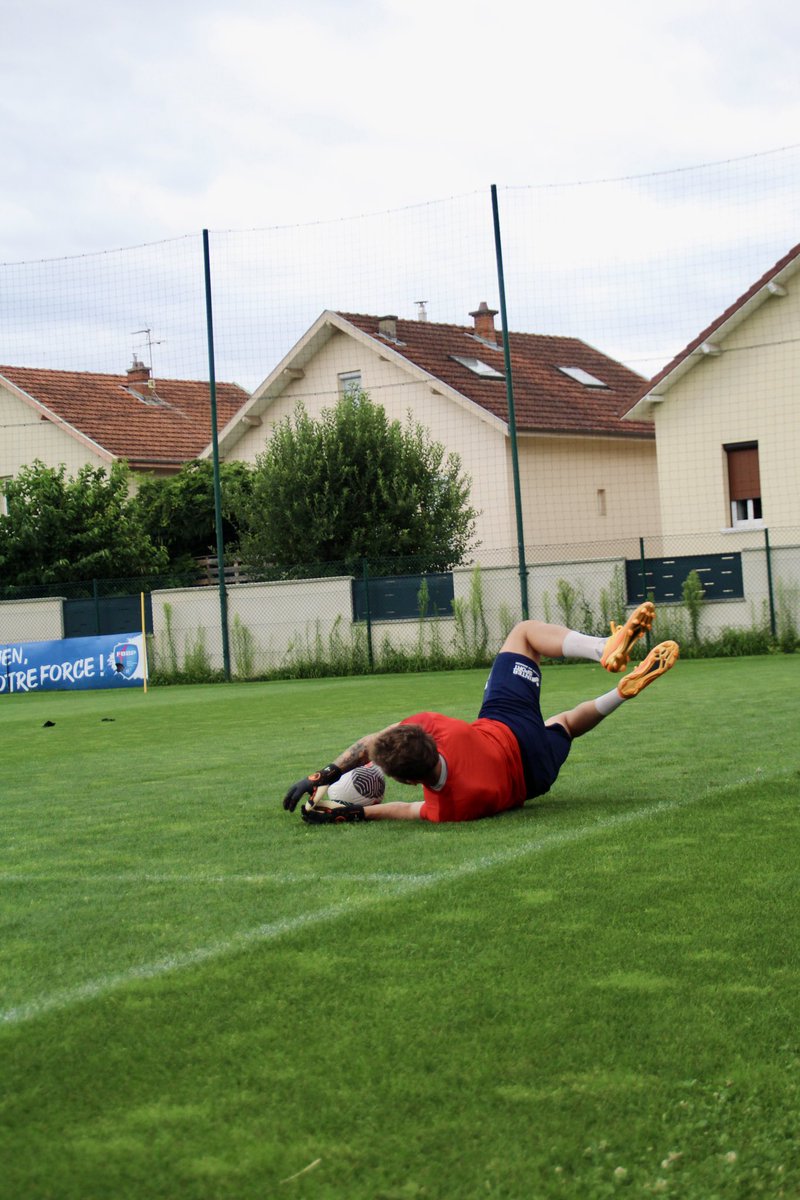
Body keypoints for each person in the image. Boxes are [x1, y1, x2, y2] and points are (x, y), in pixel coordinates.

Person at [282, 601, 679, 825]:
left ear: (405, 778)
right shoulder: (437, 725)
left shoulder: (450, 808)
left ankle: (621, 694)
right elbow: (372, 742)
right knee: (523, 633)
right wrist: (322, 775)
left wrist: (347, 814)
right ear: (426, 736)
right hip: (507, 725)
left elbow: (403, 809)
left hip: (535, 773)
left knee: (567, 724)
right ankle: (601, 647)